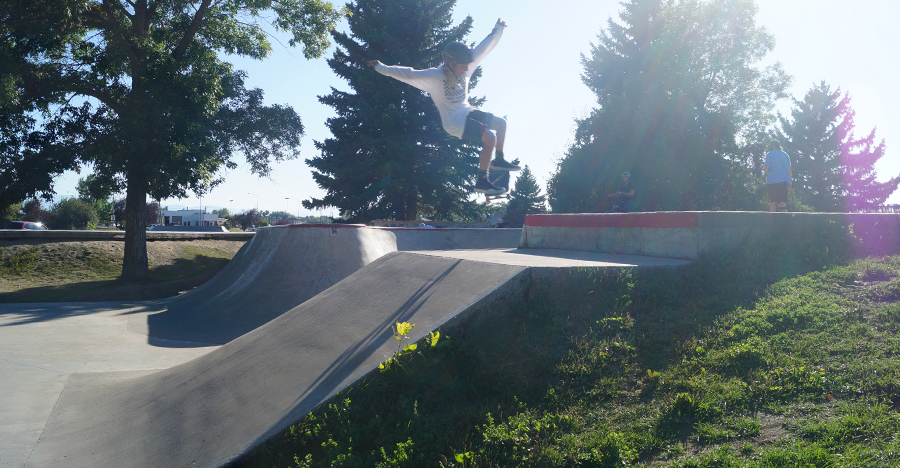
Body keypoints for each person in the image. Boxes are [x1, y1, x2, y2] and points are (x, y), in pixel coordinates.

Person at [367, 19, 518, 196]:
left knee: (501, 124)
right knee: (490, 138)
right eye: (462, 67)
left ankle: (498, 160)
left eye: (467, 67)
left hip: (467, 110)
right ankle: (482, 181)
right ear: (451, 64)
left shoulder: (466, 64)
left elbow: (484, 48)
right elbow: (408, 74)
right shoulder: (434, 76)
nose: (465, 70)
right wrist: (381, 67)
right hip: (454, 122)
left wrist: (498, 28)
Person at [763, 141, 792, 212]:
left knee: (772, 201)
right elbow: (789, 170)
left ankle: (772, 220)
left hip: (771, 181)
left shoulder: (769, 154)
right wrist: (789, 181)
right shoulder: (785, 155)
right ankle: (783, 219)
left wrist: (767, 172)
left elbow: (766, 168)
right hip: (783, 181)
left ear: (773, 145)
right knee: (783, 201)